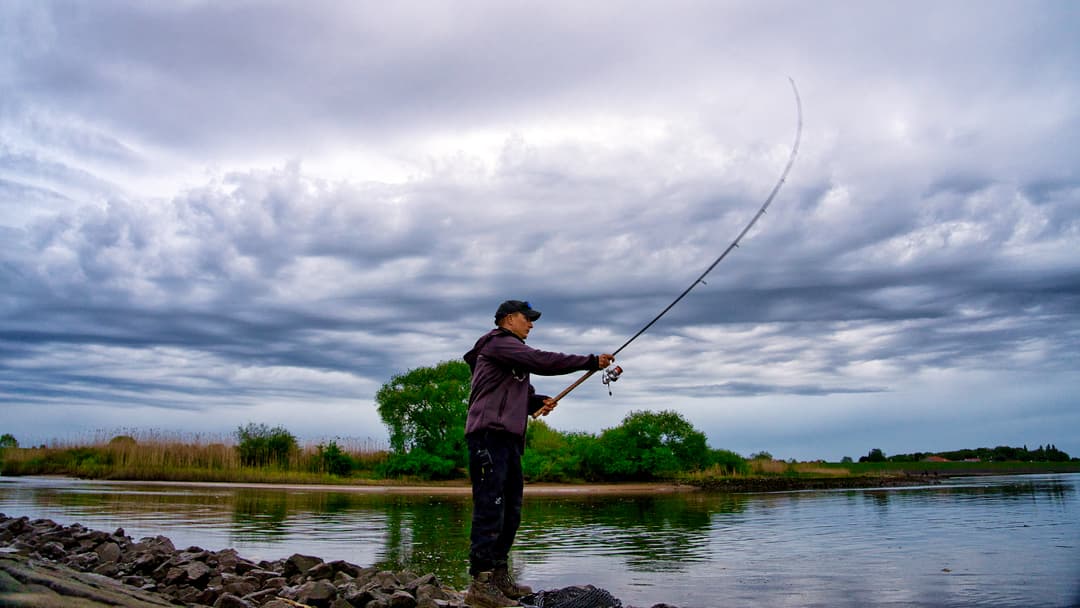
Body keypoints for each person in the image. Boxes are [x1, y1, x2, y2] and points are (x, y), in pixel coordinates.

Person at [462, 300, 614, 608]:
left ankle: (500, 576)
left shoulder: (510, 356)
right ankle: (481, 584)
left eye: (532, 320)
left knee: (511, 511)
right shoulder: (498, 343)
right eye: (526, 318)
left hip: (508, 439)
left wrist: (534, 401)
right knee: (490, 508)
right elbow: (542, 360)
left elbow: (515, 390)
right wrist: (590, 361)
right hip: (488, 436)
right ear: (508, 319)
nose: (531, 324)